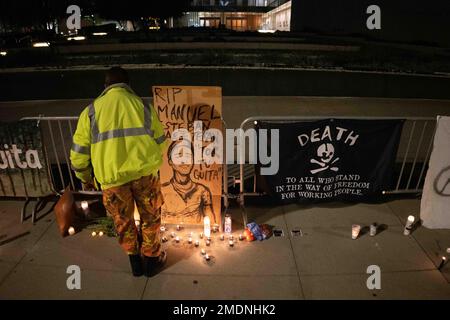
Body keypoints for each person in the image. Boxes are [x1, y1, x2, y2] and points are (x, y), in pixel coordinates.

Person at [70, 67, 168, 277]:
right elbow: (161, 142)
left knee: (123, 222)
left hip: (112, 180)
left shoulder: (91, 112)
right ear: (128, 85)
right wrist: (149, 162)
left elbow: (78, 155)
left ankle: (134, 263)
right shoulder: (142, 105)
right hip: (144, 176)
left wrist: (86, 178)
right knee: (150, 217)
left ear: (105, 86)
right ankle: (151, 261)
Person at [161, 140, 216, 225]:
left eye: (188, 155)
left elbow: (211, 223)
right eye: (179, 155)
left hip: (196, 236)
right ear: (170, 161)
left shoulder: (202, 191)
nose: (184, 161)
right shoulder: (162, 190)